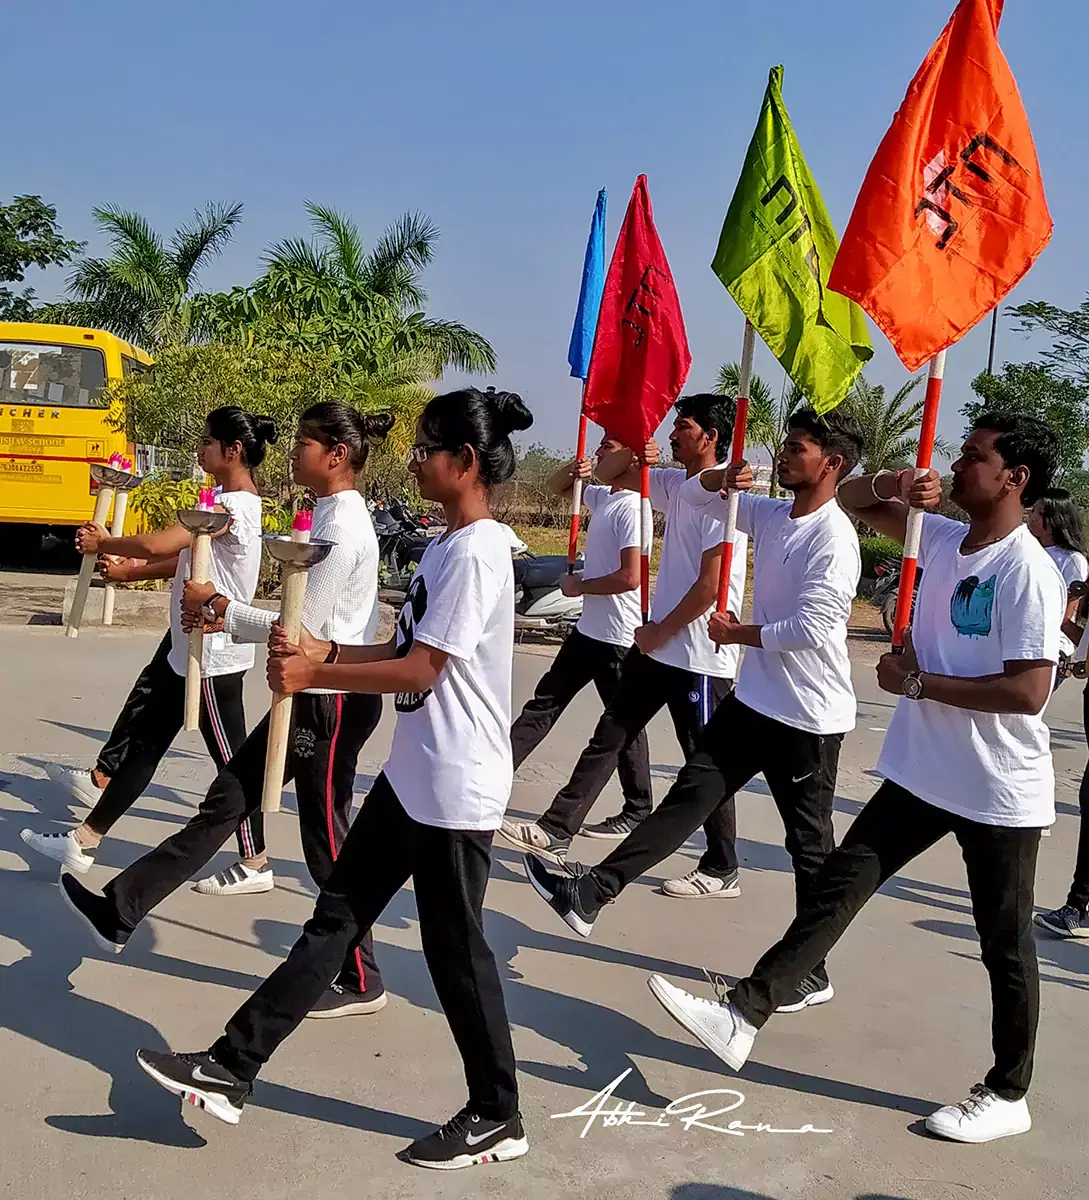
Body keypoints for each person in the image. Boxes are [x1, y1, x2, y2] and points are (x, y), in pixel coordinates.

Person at [70, 387, 533, 1170]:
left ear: (463, 462)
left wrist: (319, 668)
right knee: (334, 920)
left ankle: (498, 1114)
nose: (414, 461)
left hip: (456, 787)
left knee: (457, 956)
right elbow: (387, 645)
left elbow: (422, 667)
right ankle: (231, 1067)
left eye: (427, 449)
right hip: (414, 776)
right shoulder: (446, 547)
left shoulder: (482, 551)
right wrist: (322, 660)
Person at [642, 413, 1063, 1146]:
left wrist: (920, 684)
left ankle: (1006, 1091)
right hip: (922, 773)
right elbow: (859, 500)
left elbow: (1029, 691)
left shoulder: (1023, 570)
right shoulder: (941, 535)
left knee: (1002, 941)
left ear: (1014, 479)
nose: (958, 466)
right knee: (838, 887)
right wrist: (898, 482)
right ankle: (743, 1013)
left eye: (973, 457)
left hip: (996, 788)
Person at [56, 403, 393, 1018]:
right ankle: (121, 907)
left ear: (336, 456)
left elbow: (304, 627)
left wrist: (220, 610)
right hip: (314, 693)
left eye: (304, 444)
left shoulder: (344, 527)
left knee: (325, 844)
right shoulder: (329, 517)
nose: (292, 454)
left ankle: (362, 975)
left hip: (330, 701)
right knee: (226, 801)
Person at [524, 408, 863, 1013]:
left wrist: (740, 636)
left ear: (831, 465)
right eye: (784, 444)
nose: (784, 455)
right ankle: (593, 892)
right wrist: (722, 479)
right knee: (689, 794)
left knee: (808, 847)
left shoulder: (834, 538)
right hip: (758, 703)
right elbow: (703, 499)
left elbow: (813, 628)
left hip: (808, 715)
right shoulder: (773, 512)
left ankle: (813, 968)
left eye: (798, 448)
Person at [500, 394, 746, 897]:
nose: (674, 434)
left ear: (711, 438)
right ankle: (556, 830)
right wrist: (630, 447)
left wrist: (658, 629)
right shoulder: (678, 484)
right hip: (658, 648)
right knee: (611, 733)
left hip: (697, 653)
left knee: (705, 763)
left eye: (683, 427)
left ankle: (723, 867)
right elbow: (614, 476)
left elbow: (708, 587)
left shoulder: (729, 504)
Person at [22, 407, 275, 877]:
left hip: (213, 657)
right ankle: (84, 840)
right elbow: (183, 560)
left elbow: (162, 543)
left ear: (233, 451)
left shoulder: (234, 507)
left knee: (234, 767)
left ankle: (256, 861)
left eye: (207, 441)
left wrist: (109, 544)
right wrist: (130, 571)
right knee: (145, 747)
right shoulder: (223, 500)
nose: (199, 448)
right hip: (187, 651)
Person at [503, 433, 650, 850]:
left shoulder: (632, 511)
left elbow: (631, 577)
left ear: (632, 456)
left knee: (620, 727)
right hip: (590, 631)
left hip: (619, 637)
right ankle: (492, 775)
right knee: (544, 704)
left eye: (609, 445)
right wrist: (575, 469)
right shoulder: (605, 499)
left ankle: (636, 807)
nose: (600, 450)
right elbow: (556, 487)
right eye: (599, 443)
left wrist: (579, 586)